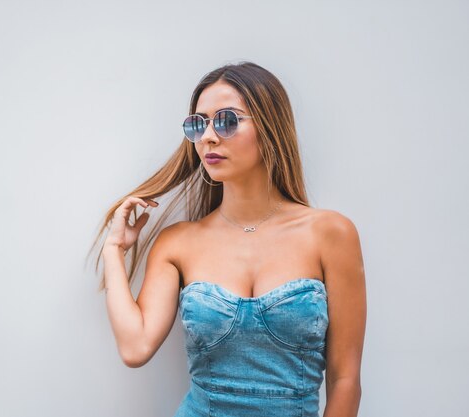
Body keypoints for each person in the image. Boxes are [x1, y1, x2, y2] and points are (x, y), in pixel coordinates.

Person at [89, 61, 366, 417]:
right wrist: (115, 250)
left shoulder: (331, 234)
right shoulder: (179, 243)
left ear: (270, 127)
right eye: (198, 124)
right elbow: (135, 347)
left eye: (226, 120)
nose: (207, 136)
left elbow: (345, 379)